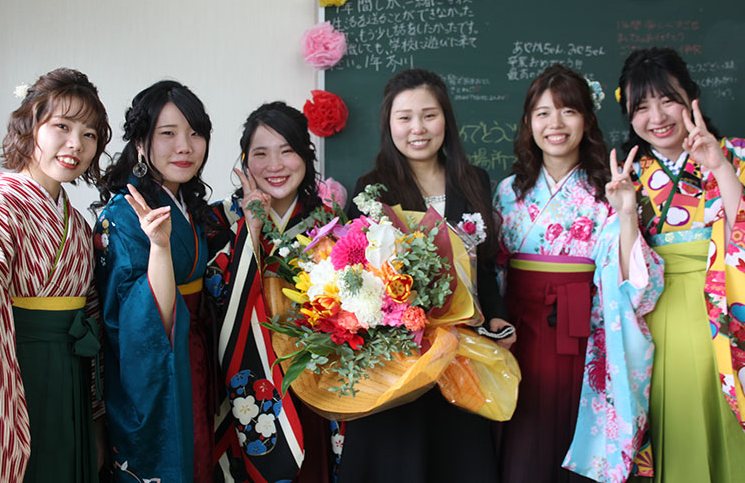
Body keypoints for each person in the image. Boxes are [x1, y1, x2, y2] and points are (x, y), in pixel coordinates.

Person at [334, 68, 511, 483]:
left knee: (460, 461)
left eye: (429, 115)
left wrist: (499, 317)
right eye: (405, 117)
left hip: (461, 354)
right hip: (401, 361)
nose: (418, 128)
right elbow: (358, 277)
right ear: (389, 125)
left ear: (445, 119)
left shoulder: (474, 182)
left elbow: (483, 266)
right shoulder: (372, 189)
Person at [493, 64, 664, 483]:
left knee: (580, 438)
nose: (555, 124)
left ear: (586, 120)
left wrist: (625, 214)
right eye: (543, 113)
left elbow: (634, 286)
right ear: (528, 123)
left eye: (568, 111)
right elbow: (494, 271)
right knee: (525, 447)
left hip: (587, 336)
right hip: (520, 335)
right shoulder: (508, 191)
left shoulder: (608, 188)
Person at [0, 68, 111, 482]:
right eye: (62, 126)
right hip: (15, 374)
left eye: (90, 134)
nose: (76, 143)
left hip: (70, 374)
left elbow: (89, 309)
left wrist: (94, 409)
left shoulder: (75, 219)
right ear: (30, 126)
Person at [617, 47, 745, 483]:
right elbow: (625, 271)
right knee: (677, 424)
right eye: (640, 106)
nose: (656, 116)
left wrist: (720, 168)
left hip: (727, 308)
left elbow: (741, 233)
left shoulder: (734, 154)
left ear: (691, 98)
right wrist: (625, 212)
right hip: (660, 316)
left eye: (667, 99)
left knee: (731, 421)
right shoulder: (628, 176)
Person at [93, 81, 215, 483]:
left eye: (195, 133)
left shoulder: (189, 206)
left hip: (195, 353)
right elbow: (131, 316)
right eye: (168, 133)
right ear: (141, 144)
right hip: (157, 361)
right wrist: (159, 251)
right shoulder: (124, 215)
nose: (185, 146)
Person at [208, 101, 332, 483]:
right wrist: (251, 228)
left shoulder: (328, 224)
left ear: (306, 157)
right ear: (245, 161)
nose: (275, 165)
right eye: (261, 153)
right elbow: (216, 297)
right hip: (245, 381)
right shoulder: (217, 220)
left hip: (312, 383)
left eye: (287, 151)